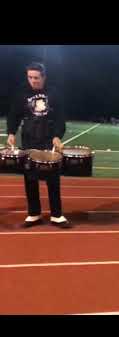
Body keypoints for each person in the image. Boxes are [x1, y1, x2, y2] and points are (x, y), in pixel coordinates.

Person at [7, 62, 71, 228]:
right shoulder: (22, 93)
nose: (33, 81)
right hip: (29, 140)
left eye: (36, 77)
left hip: (48, 140)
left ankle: (57, 215)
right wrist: (11, 133)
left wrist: (57, 136)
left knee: (53, 179)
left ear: (44, 77)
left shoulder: (54, 93)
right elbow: (14, 114)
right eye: (30, 77)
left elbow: (60, 117)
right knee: (30, 178)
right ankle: (34, 214)